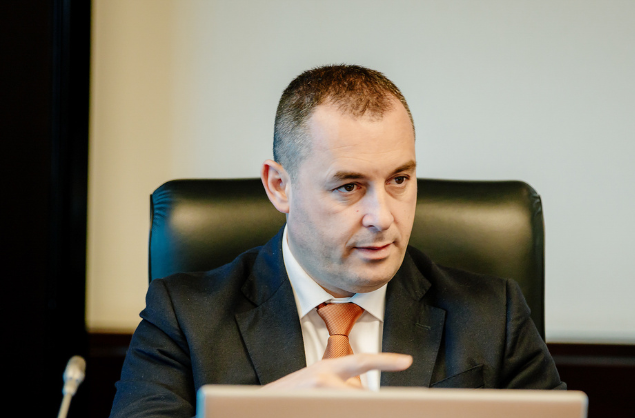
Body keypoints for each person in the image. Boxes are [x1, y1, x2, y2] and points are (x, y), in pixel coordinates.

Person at [109, 64, 565, 418]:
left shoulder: (493, 315)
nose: (382, 217)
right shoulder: (183, 316)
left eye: (399, 179)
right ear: (280, 187)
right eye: (348, 186)